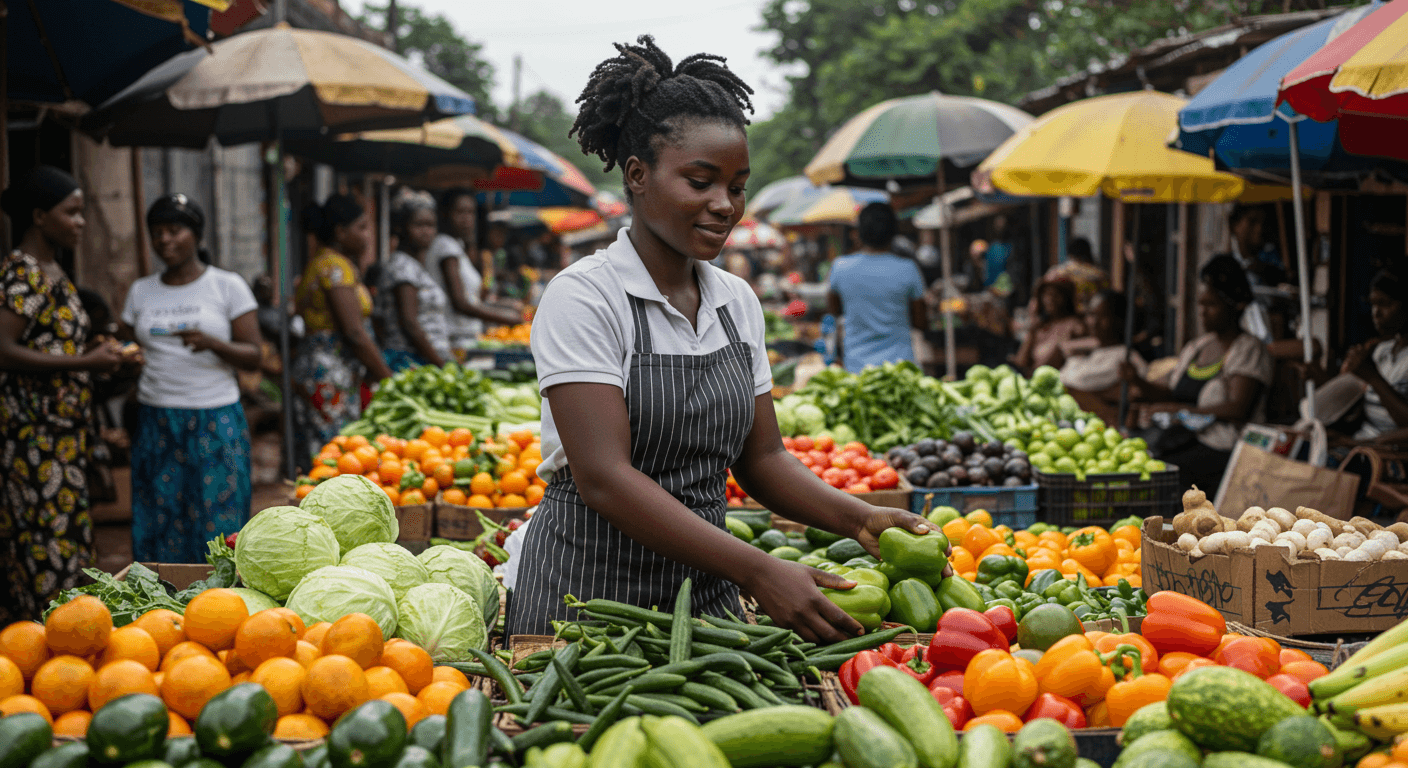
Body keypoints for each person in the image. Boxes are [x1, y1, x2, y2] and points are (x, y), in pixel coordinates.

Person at [509, 35, 938, 642]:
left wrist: (861, 518)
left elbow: (762, 460)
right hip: (588, 602)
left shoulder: (736, 302)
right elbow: (604, 475)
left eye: (736, 186)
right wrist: (758, 568)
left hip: (707, 600)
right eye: (701, 181)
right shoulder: (585, 297)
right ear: (637, 175)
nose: (724, 205)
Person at [0, 167, 119, 622]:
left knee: (68, 542)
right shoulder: (23, 273)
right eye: (71, 212)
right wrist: (84, 363)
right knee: (44, 543)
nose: (81, 221)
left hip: (63, 435)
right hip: (35, 439)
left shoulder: (52, 271)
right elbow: (5, 350)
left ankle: (66, 633)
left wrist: (93, 354)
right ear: (38, 216)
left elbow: (48, 344)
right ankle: (41, 640)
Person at [120, 193, 260, 563]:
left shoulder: (227, 286)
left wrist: (213, 343)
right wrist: (125, 359)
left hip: (214, 417)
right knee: (159, 517)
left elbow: (254, 355)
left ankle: (217, 606)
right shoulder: (141, 291)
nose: (164, 240)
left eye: (174, 230)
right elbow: (125, 346)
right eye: (156, 232)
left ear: (196, 235)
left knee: (219, 519)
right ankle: (162, 609)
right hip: (156, 418)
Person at [1120, 255, 1273, 492]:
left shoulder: (1248, 349)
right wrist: (1137, 381)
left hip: (1223, 447)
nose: (1202, 312)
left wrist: (1181, 412)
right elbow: (1169, 391)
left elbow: (1237, 408)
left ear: (1233, 306)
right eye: (1201, 304)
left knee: (1162, 474)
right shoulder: (1197, 347)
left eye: (1211, 305)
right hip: (1184, 438)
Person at [292, 194, 391, 471]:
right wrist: (387, 378)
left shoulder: (325, 263)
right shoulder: (334, 268)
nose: (367, 236)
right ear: (340, 232)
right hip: (328, 374)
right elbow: (354, 332)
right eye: (361, 227)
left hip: (327, 370)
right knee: (333, 455)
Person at [825, 203, 927, 373]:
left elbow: (834, 311)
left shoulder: (840, 267)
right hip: (901, 369)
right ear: (894, 232)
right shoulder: (908, 268)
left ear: (859, 232)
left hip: (857, 369)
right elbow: (920, 321)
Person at [426, 190, 522, 360]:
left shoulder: (455, 245)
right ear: (446, 214)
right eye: (460, 212)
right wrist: (507, 318)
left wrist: (503, 306)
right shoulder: (446, 246)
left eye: (470, 212)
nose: (467, 219)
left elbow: (472, 299)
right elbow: (460, 303)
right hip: (455, 341)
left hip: (465, 339)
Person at [374, 194, 453, 371]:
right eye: (419, 225)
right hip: (410, 362)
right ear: (401, 228)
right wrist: (441, 364)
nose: (426, 232)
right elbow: (409, 323)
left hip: (423, 361)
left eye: (431, 225)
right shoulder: (402, 267)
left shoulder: (414, 266)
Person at [1058, 289, 1147, 424]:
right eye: (1091, 315)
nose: (1093, 322)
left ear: (1120, 320)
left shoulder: (1126, 358)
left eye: (1102, 316)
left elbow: (1073, 384)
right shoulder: (1092, 353)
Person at [1344, 267, 1408, 443]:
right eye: (1373, 304)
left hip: (1387, 457)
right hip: (1362, 442)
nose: (1376, 313)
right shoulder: (1382, 351)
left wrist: (1373, 377)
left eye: (1385, 304)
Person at [1014, 278, 1085, 374]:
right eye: (1046, 294)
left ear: (1067, 297)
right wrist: (1031, 332)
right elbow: (1020, 363)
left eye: (1057, 294)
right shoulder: (1040, 327)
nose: (1050, 299)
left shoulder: (1075, 325)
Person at [1042, 237, 1110, 312]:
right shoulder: (1101, 275)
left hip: (1062, 314)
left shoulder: (1056, 272)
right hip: (1089, 314)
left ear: (1069, 254)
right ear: (1088, 252)